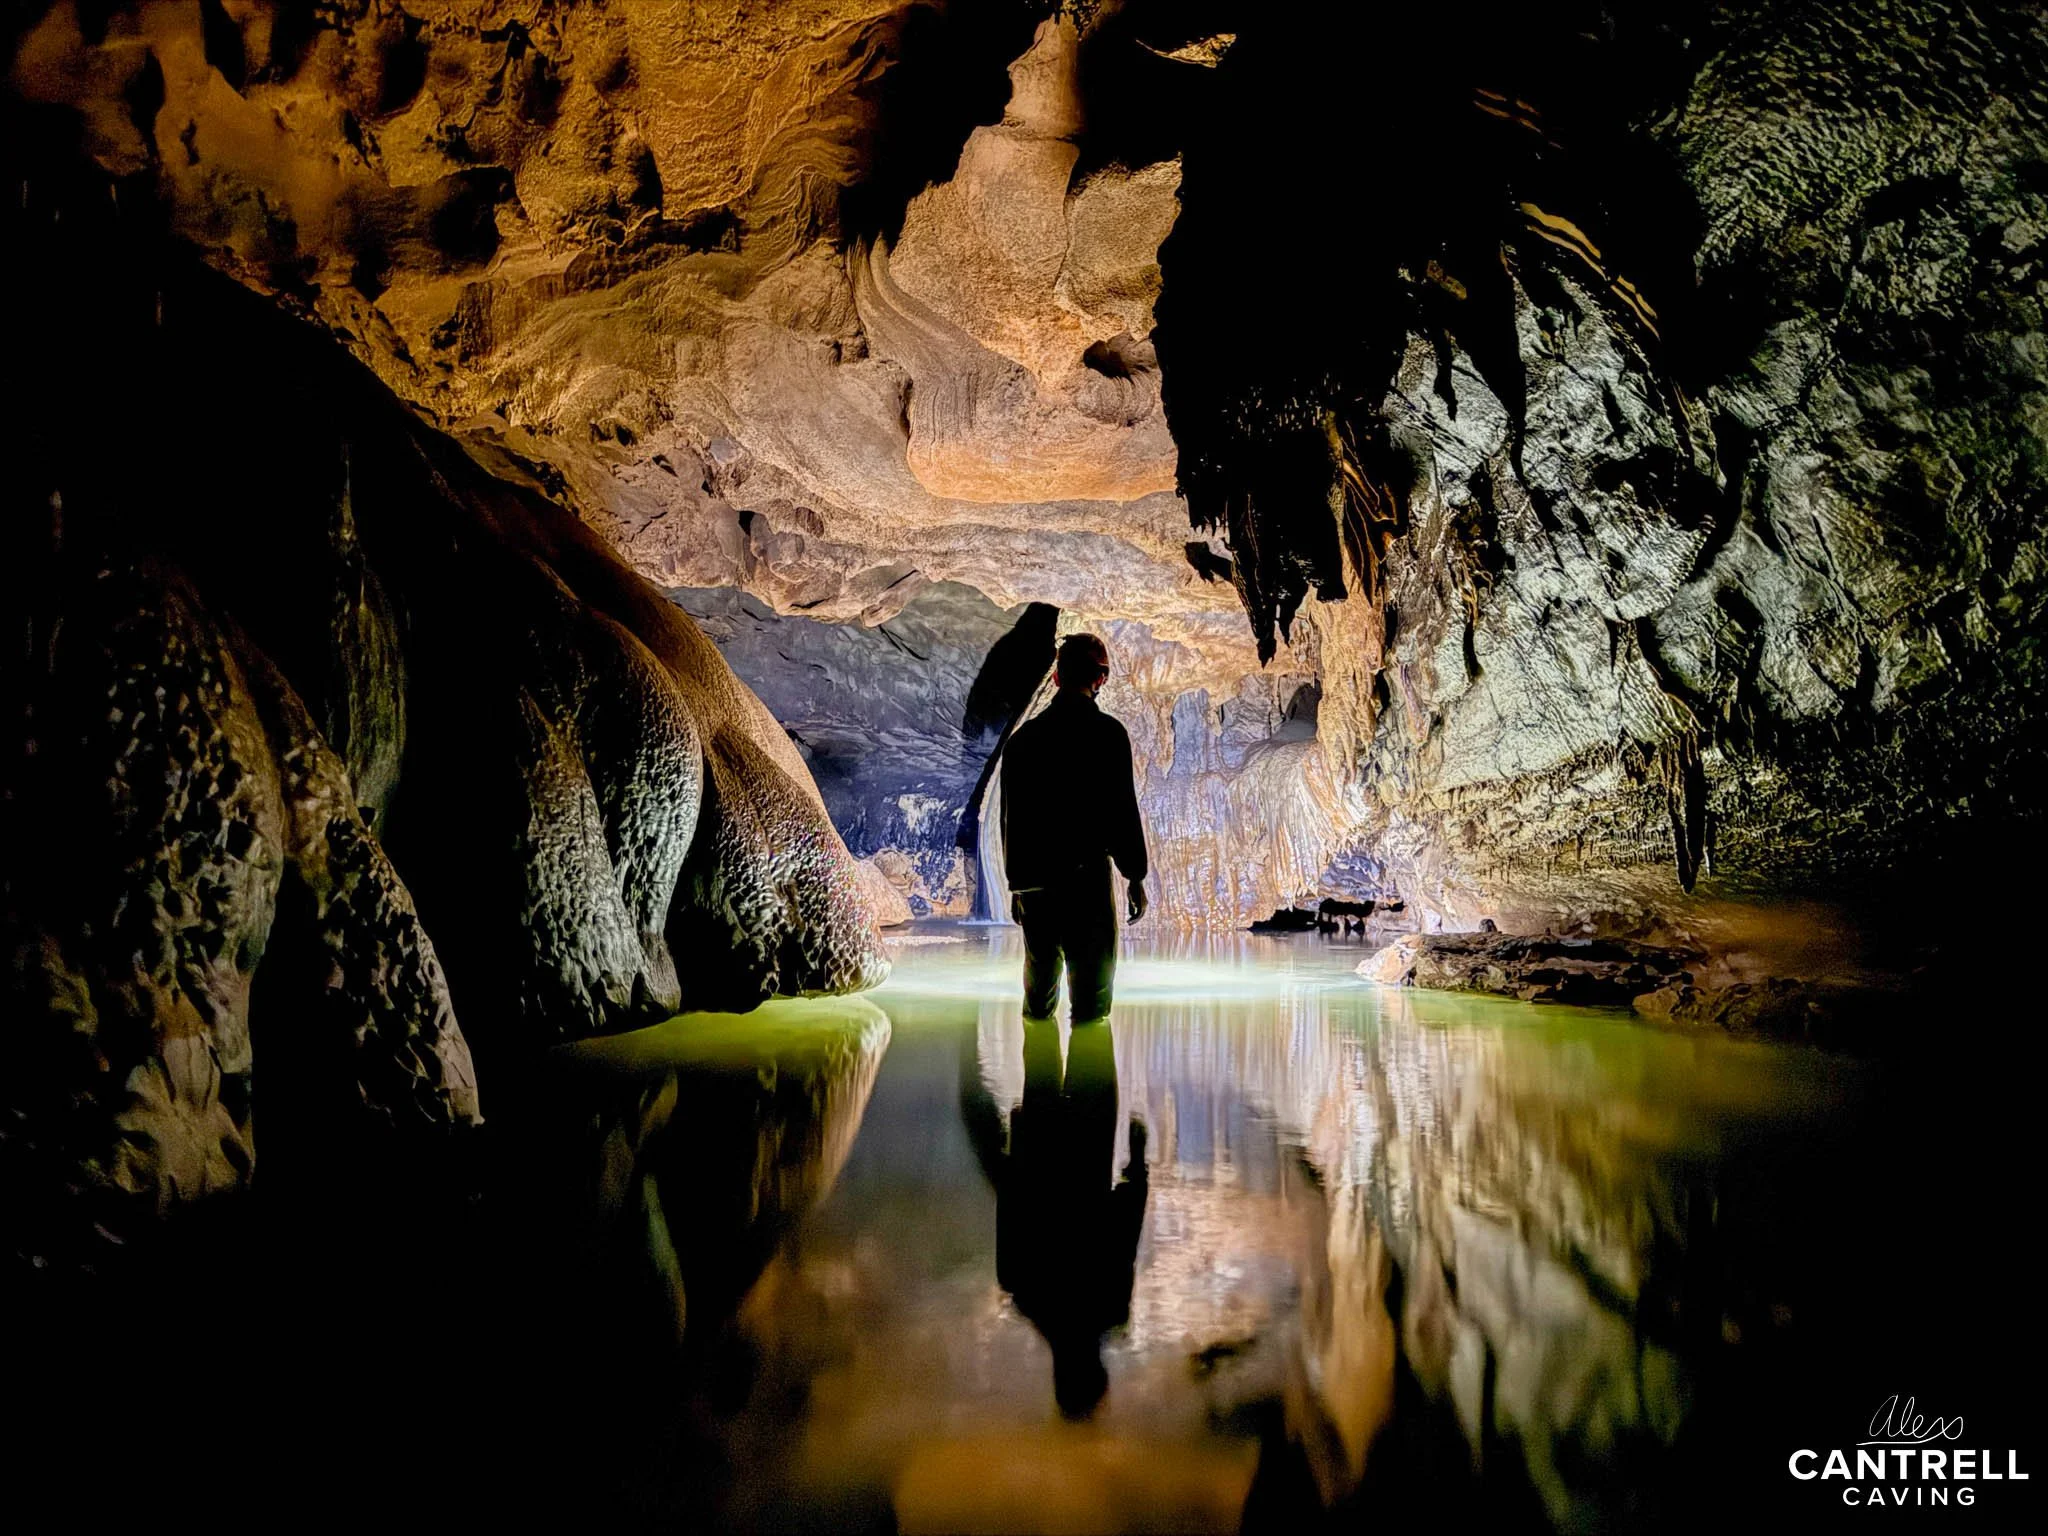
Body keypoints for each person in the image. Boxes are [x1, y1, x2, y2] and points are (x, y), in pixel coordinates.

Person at [961, 1015, 1148, 1418]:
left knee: (1088, 1028)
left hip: (1087, 1140)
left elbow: (1124, 1226)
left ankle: (1052, 965)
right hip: (1045, 1137)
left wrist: (1138, 1165)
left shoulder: (1108, 1307)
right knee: (1046, 1035)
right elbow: (1009, 1189)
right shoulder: (1023, 1291)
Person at [999, 632, 1150, 1024]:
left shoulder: (1022, 742)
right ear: (1099, 678)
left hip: (1035, 886)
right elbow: (1121, 810)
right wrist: (1134, 875)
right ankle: (1089, 1080)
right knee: (1091, 1005)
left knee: (1038, 1003)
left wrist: (1017, 887)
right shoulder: (1108, 735)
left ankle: (1041, 1078)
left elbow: (1011, 821)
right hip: (1086, 884)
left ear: (1056, 678)